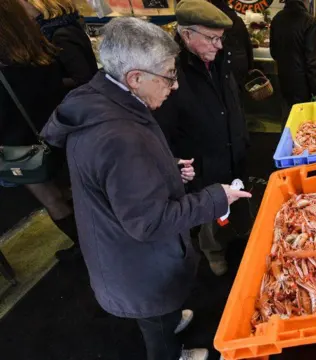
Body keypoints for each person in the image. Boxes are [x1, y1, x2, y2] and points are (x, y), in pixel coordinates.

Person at [40, 17, 251, 360]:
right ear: (135, 78)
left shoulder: (102, 99)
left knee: (158, 316)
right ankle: (171, 353)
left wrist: (167, 171)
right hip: (134, 267)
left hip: (121, 254)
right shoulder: (119, 136)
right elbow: (149, 222)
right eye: (169, 74)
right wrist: (216, 197)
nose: (175, 85)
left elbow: (118, 181)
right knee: (155, 328)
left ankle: (168, 322)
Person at [153, 0, 250, 277]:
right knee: (211, 212)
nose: (218, 46)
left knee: (240, 200)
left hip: (233, 147)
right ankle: (214, 252)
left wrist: (242, 136)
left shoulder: (219, 58)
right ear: (186, 35)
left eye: (220, 39)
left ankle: (241, 237)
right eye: (212, 39)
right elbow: (163, 127)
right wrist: (176, 163)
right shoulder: (170, 71)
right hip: (202, 159)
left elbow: (233, 99)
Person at [0, 0, 80, 260]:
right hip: (59, 132)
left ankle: (86, 251)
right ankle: (101, 241)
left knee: (53, 201)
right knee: (78, 191)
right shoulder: (40, 47)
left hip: (22, 146)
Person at [20, 0, 98, 89]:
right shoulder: (63, 24)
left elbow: (82, 79)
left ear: (36, 4)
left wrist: (49, 82)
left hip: (75, 97)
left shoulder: (60, 35)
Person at [270, 0, 316, 128]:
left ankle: (284, 146)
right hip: (302, 85)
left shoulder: (277, 19)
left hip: (283, 79)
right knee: (302, 126)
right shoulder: (309, 21)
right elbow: (312, 61)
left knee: (287, 118)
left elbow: (273, 52)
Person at [209, 0, 254, 88]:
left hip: (222, 65)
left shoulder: (212, 19)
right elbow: (247, 44)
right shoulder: (237, 19)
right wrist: (250, 65)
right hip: (240, 62)